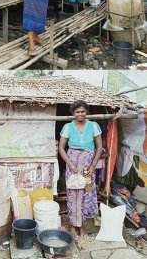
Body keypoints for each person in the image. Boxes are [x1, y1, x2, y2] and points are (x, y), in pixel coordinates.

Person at [58, 100, 103, 237]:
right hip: (73, 165)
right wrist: (70, 164)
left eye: (83, 111)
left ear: (86, 112)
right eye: (77, 112)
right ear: (73, 113)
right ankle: (72, 226)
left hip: (88, 166)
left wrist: (94, 164)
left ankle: (81, 226)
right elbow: (61, 148)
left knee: (85, 194)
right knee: (73, 195)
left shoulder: (93, 126)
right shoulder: (67, 127)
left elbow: (99, 147)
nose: (80, 114)